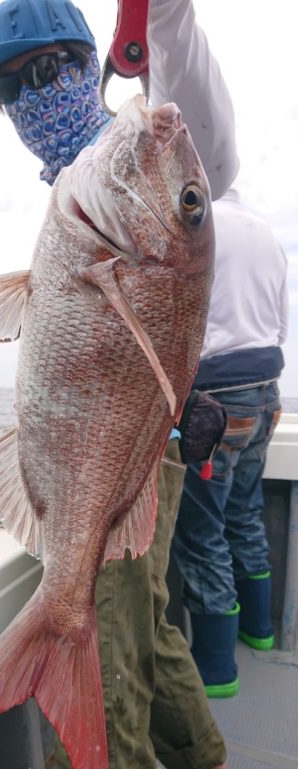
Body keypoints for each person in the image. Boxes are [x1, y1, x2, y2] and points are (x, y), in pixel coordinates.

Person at [0, 1, 242, 769]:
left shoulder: (143, 149)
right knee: (147, 625)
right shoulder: (81, 190)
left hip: (130, 447)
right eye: (11, 90)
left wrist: (159, 20)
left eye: (47, 70)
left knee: (111, 662)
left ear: (91, 63)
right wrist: (17, 313)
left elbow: (198, 129)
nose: (32, 99)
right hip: (130, 444)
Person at [173, 187, 288, 699]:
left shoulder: (197, 223)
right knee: (245, 510)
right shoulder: (265, 232)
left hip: (215, 398)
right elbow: (281, 324)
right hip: (267, 392)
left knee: (203, 531)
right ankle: (258, 631)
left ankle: (217, 668)